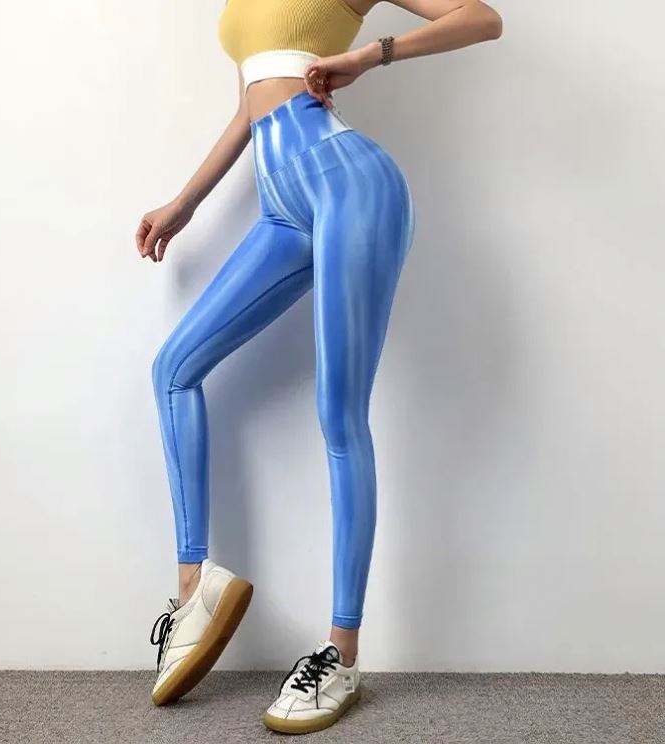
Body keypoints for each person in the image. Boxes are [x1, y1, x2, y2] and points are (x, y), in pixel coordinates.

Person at [137, 0, 502, 734]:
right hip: (282, 207)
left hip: (350, 184)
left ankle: (341, 656)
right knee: (174, 367)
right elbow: (249, 107)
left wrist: (370, 55)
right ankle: (195, 591)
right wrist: (186, 202)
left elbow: (481, 17)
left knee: (339, 416)